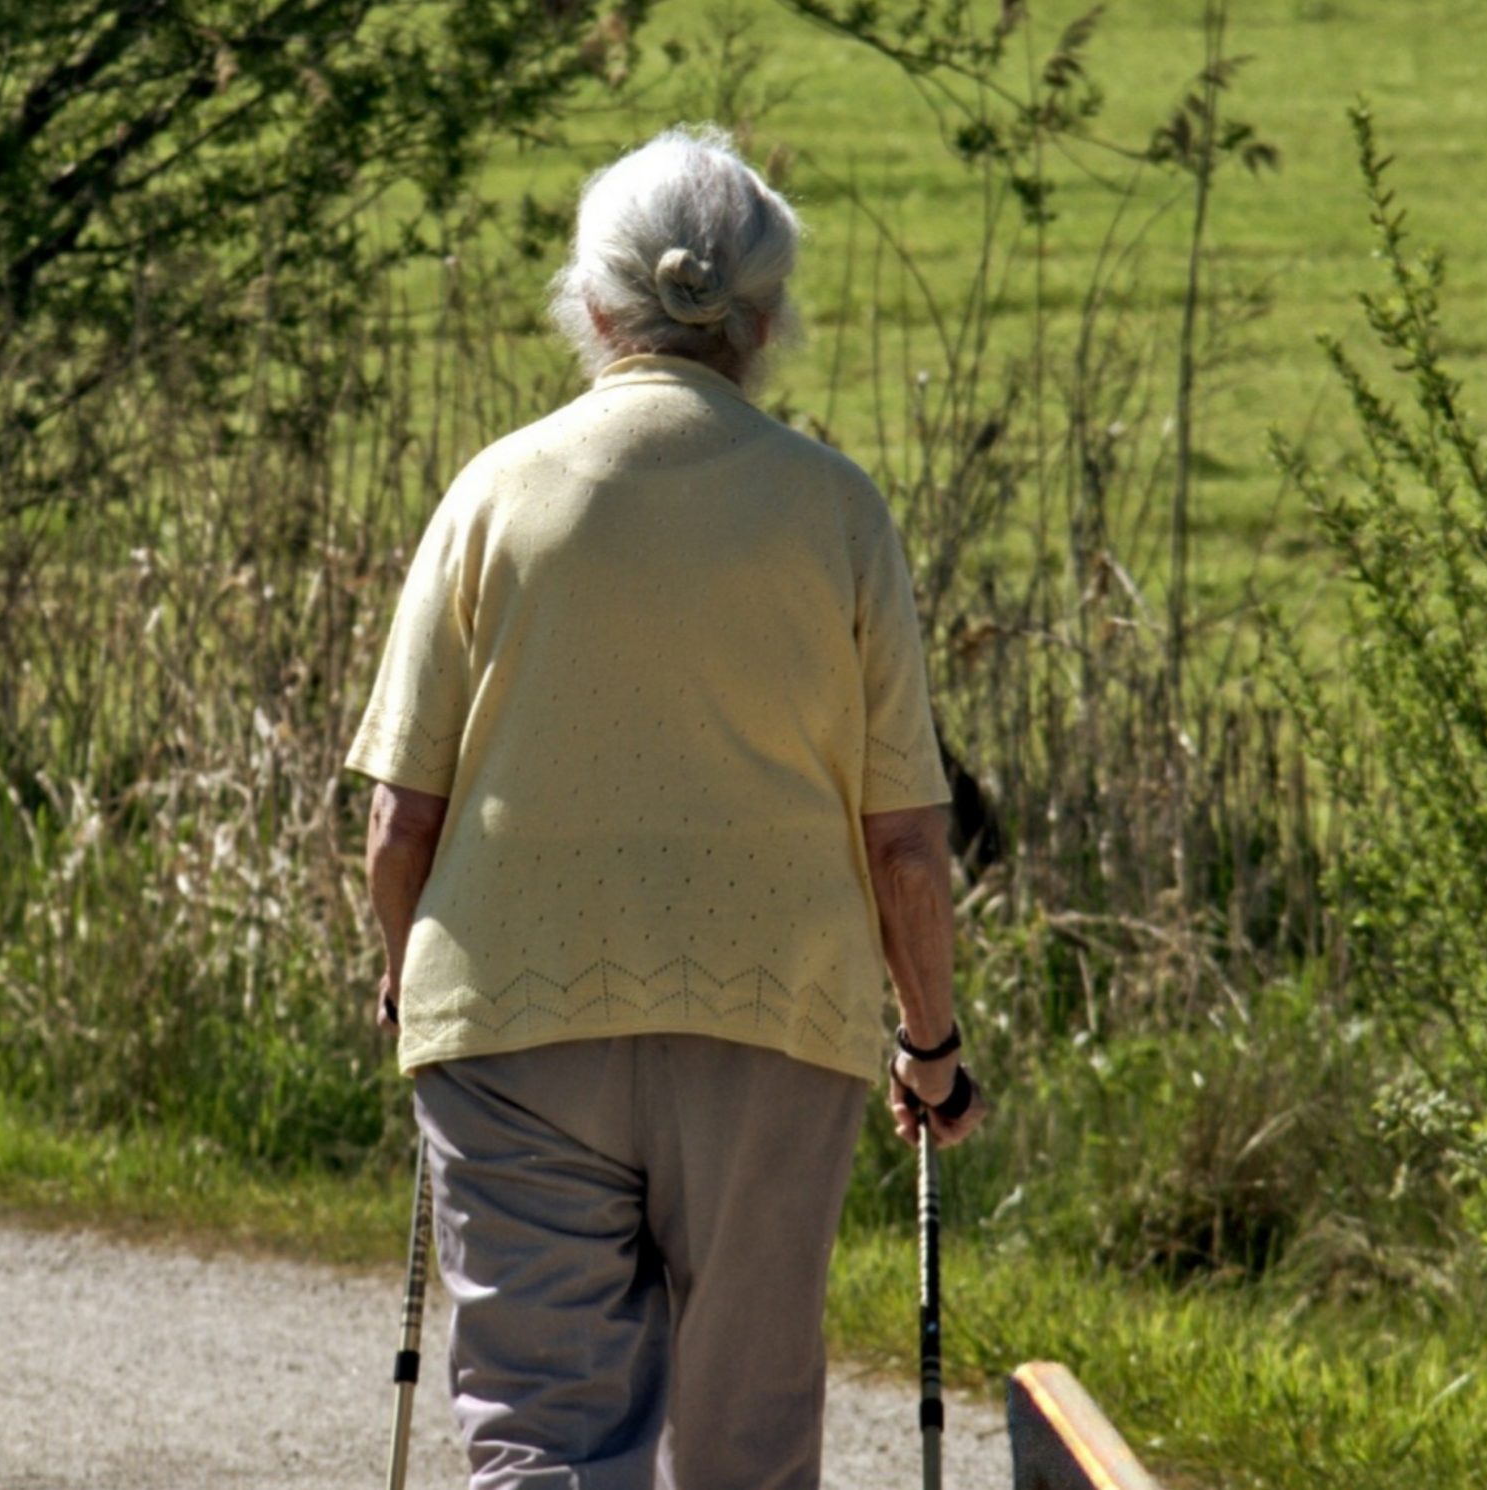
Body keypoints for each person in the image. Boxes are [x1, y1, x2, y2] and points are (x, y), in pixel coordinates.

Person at [344, 125, 987, 1490]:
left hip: (512, 1012)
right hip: (773, 1010)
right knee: (748, 1440)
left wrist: (405, 972)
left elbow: (400, 823)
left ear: (592, 306)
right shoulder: (837, 512)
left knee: (544, 1432)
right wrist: (930, 1047)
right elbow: (906, 852)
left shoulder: (493, 496)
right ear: (765, 320)